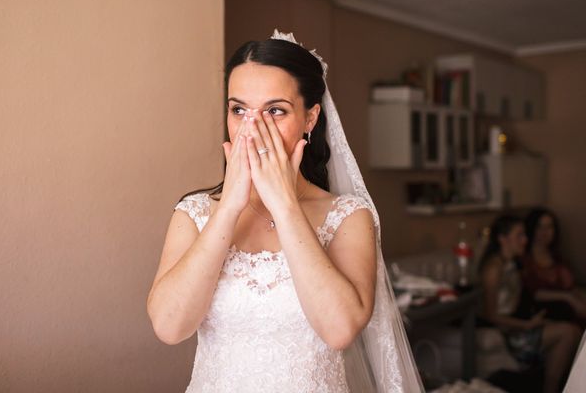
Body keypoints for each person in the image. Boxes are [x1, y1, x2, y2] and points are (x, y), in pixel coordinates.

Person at [146, 30, 423, 392]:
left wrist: (285, 205)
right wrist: (229, 206)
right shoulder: (194, 213)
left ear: (310, 120)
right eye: (239, 110)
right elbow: (170, 327)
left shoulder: (349, 217)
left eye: (275, 110)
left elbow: (340, 330)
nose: (252, 129)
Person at [479, 215, 580, 393]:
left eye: (525, 235)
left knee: (570, 330)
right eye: (519, 235)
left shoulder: (513, 264)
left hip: (520, 323)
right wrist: (527, 325)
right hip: (510, 333)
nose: (525, 240)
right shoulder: (494, 268)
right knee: (568, 332)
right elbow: (490, 314)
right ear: (503, 239)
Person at [522, 207, 586, 325]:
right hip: (543, 311)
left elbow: (571, 286)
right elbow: (533, 293)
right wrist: (568, 297)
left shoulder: (557, 257)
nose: (545, 232)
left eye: (549, 227)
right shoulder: (525, 259)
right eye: (540, 227)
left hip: (567, 308)